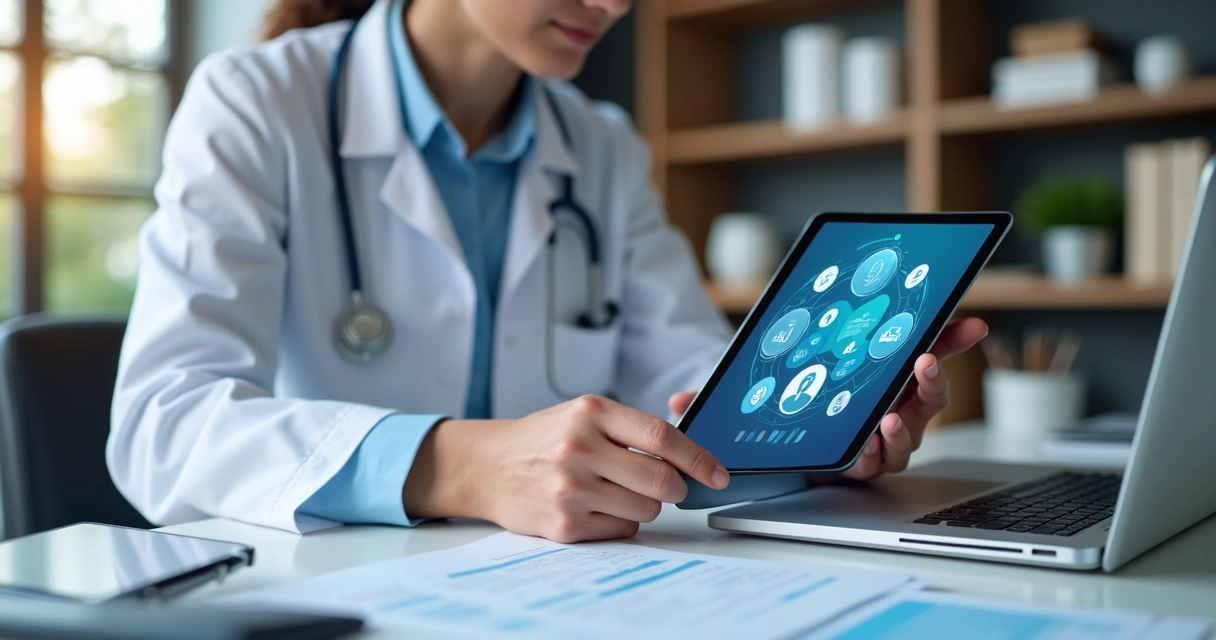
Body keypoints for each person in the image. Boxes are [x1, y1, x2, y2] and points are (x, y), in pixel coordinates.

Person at [107, 0, 988, 543]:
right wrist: (462, 466)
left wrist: (810, 429)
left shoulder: (600, 145)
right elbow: (163, 426)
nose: (612, 5)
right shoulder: (255, 101)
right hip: (330, 588)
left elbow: (687, 372)